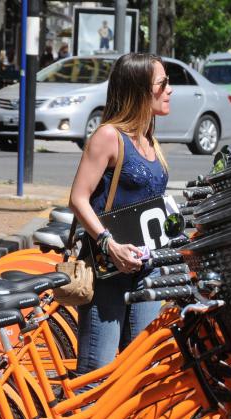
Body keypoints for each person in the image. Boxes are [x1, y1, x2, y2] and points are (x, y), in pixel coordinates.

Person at [68, 53, 172, 377]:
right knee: (96, 373)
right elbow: (78, 198)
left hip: (148, 268)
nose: (169, 90)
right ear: (140, 90)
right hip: (108, 271)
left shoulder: (148, 137)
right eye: (162, 84)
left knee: (140, 371)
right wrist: (108, 244)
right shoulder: (109, 136)